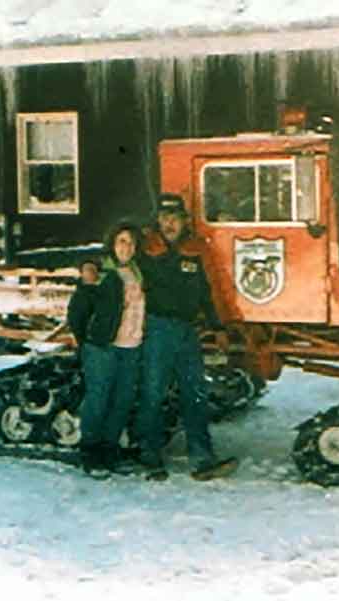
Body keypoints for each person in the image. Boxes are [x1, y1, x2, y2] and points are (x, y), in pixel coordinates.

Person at [137, 193, 237, 482]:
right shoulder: (146, 248)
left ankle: (202, 457)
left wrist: (219, 327)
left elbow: (210, 292)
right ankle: (150, 454)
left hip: (187, 330)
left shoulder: (196, 250)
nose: (169, 223)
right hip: (156, 328)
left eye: (175, 218)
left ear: (184, 221)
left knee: (195, 392)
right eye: (164, 218)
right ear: (157, 221)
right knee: (153, 392)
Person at [67, 223, 146, 479]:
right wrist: (86, 340)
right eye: (121, 241)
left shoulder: (137, 271)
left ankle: (110, 451)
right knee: (98, 399)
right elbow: (77, 311)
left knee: (122, 401)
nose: (127, 247)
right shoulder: (101, 273)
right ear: (112, 244)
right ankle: (90, 453)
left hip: (131, 347)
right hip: (104, 347)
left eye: (131, 242)